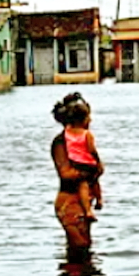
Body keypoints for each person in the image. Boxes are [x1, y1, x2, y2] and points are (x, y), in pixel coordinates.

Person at [51, 93, 104, 251]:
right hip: (69, 202)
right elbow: (66, 174)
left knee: (85, 246)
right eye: (88, 117)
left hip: (82, 202)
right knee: (79, 248)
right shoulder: (60, 143)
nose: (91, 121)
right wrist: (91, 172)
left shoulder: (83, 140)